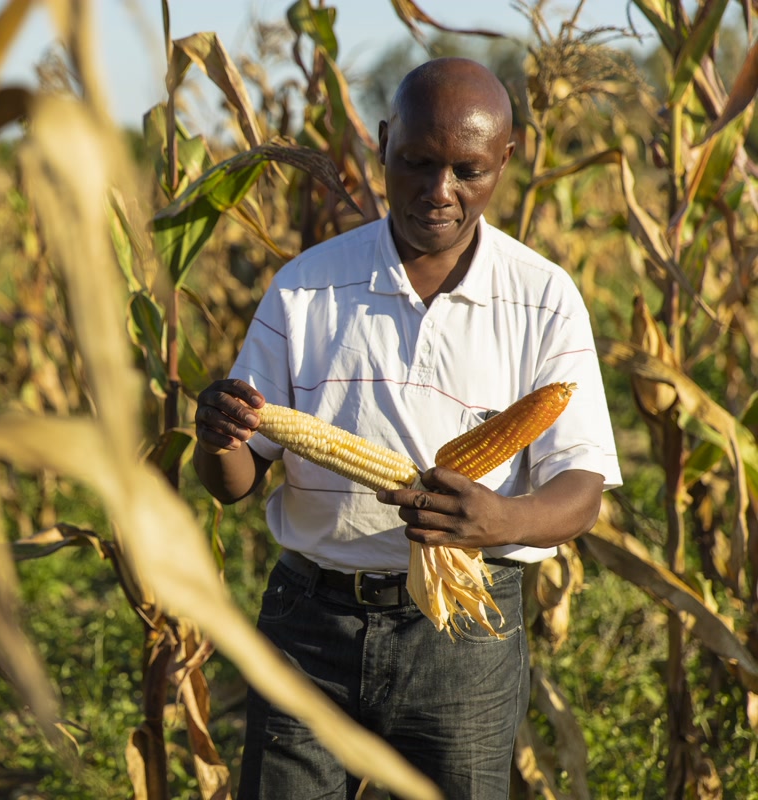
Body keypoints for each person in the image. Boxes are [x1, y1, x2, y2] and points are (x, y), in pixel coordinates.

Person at [193, 57, 621, 800]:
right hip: (309, 625)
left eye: (468, 170)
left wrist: (500, 519)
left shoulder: (543, 298)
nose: (439, 192)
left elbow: (580, 486)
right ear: (384, 142)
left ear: (506, 160)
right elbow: (232, 484)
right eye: (417, 163)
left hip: (462, 633)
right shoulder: (307, 286)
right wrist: (218, 440)